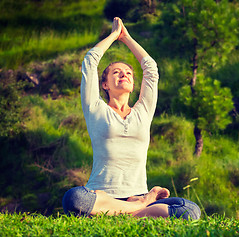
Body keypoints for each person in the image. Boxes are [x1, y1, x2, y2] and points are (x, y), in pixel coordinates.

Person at [62, 17, 201, 220]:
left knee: (189, 210)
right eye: (116, 72)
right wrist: (113, 36)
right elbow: (90, 62)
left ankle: (123, 212)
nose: (124, 75)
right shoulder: (96, 108)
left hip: (135, 195)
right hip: (102, 195)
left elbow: (151, 70)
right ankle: (139, 209)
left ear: (134, 83)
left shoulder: (142, 113)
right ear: (104, 85)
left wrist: (126, 38)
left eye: (128, 73)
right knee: (75, 199)